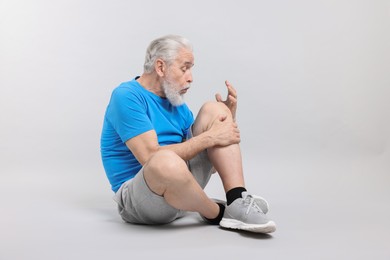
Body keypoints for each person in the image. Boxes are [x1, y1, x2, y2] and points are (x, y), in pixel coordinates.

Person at [100, 35, 276, 233]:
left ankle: (237, 200)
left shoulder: (178, 106)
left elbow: (213, 167)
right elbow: (150, 157)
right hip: (140, 200)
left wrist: (227, 120)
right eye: (184, 68)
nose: (191, 77)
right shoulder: (126, 96)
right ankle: (218, 212)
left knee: (215, 110)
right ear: (160, 67)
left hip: (180, 189)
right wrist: (211, 137)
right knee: (164, 161)